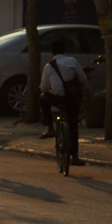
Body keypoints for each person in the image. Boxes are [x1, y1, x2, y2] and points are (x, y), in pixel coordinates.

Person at [39, 37, 89, 166]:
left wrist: (47, 89)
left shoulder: (48, 66)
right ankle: (75, 158)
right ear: (64, 50)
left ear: (51, 52)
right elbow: (83, 79)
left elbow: (44, 87)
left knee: (42, 97)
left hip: (56, 98)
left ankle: (50, 127)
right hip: (72, 98)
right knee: (73, 126)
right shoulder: (72, 61)